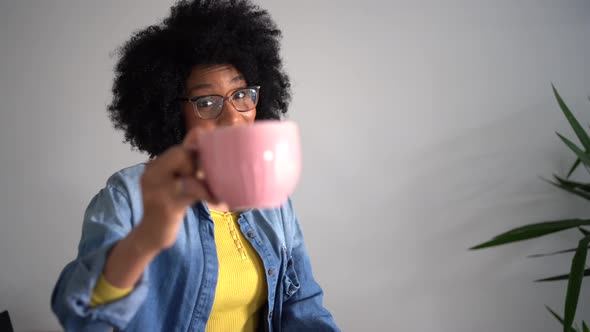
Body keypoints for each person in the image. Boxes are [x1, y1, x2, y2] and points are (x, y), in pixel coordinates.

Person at [50, 0, 340, 331]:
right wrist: (146, 238)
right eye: (207, 101)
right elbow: (80, 317)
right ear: (173, 113)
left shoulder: (273, 199)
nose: (232, 117)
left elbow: (303, 306)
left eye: (242, 94)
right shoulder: (130, 196)